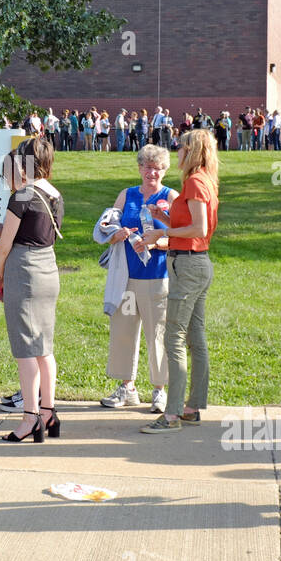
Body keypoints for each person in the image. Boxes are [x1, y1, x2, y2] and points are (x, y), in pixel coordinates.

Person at [140, 129, 219, 433]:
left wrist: (161, 233)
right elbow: (188, 224)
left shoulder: (196, 181)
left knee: (174, 335)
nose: (177, 152)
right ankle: (192, 407)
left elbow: (198, 229)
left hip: (188, 265)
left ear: (193, 150)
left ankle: (172, 414)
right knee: (195, 337)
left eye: (181, 147)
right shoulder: (204, 180)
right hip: (194, 264)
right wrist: (163, 216)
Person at [0, 138, 63, 442]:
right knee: (44, 347)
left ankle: (30, 416)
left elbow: (6, 243)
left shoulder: (22, 195)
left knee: (25, 349)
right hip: (49, 269)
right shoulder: (54, 193)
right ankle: (48, 411)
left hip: (25, 270)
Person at [97, 144, 177, 412]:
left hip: (157, 277)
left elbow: (182, 237)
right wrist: (116, 234)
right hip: (126, 279)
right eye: (146, 166)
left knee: (158, 333)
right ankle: (126, 387)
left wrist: (156, 244)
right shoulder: (127, 194)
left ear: (164, 170)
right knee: (123, 331)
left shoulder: (171, 196)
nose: (151, 172)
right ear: (139, 167)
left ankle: (159, 390)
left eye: (157, 168)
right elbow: (110, 224)